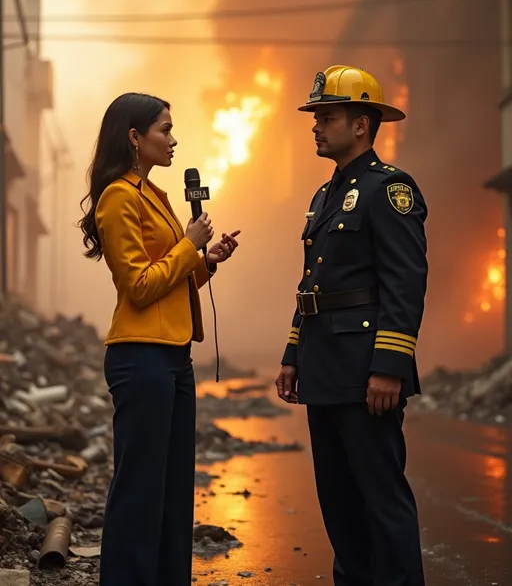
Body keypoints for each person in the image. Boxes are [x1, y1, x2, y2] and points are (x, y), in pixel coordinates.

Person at [78, 92, 240, 586]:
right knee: (140, 489)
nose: (173, 140)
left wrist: (205, 261)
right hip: (140, 358)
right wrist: (189, 245)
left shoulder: (154, 195)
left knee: (173, 489)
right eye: (164, 130)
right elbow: (140, 285)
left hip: (174, 357)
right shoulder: (118, 197)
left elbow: (170, 282)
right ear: (134, 137)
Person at [275, 65, 427, 586]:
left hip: (367, 373)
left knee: (381, 501)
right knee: (339, 505)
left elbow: (405, 284)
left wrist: (389, 367)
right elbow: (313, 284)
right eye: (316, 116)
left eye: (327, 116)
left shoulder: (391, 190)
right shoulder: (324, 196)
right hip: (324, 370)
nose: (316, 125)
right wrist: (293, 354)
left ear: (362, 124)